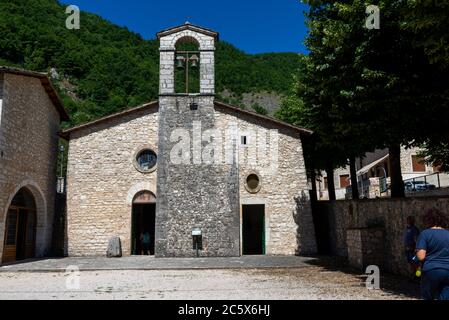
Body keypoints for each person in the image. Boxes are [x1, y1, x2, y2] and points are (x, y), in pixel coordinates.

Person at [416, 208, 449, 300]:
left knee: (428, 296)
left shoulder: (425, 234)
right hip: (448, 270)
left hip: (431, 270)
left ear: (428, 220)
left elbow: (421, 257)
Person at [404, 216, 420, 281]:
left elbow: (416, 239)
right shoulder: (407, 228)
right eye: (407, 220)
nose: (408, 221)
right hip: (407, 249)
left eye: (409, 220)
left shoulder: (414, 229)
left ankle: (418, 276)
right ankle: (414, 276)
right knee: (411, 263)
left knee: (415, 263)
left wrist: (415, 248)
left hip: (412, 249)